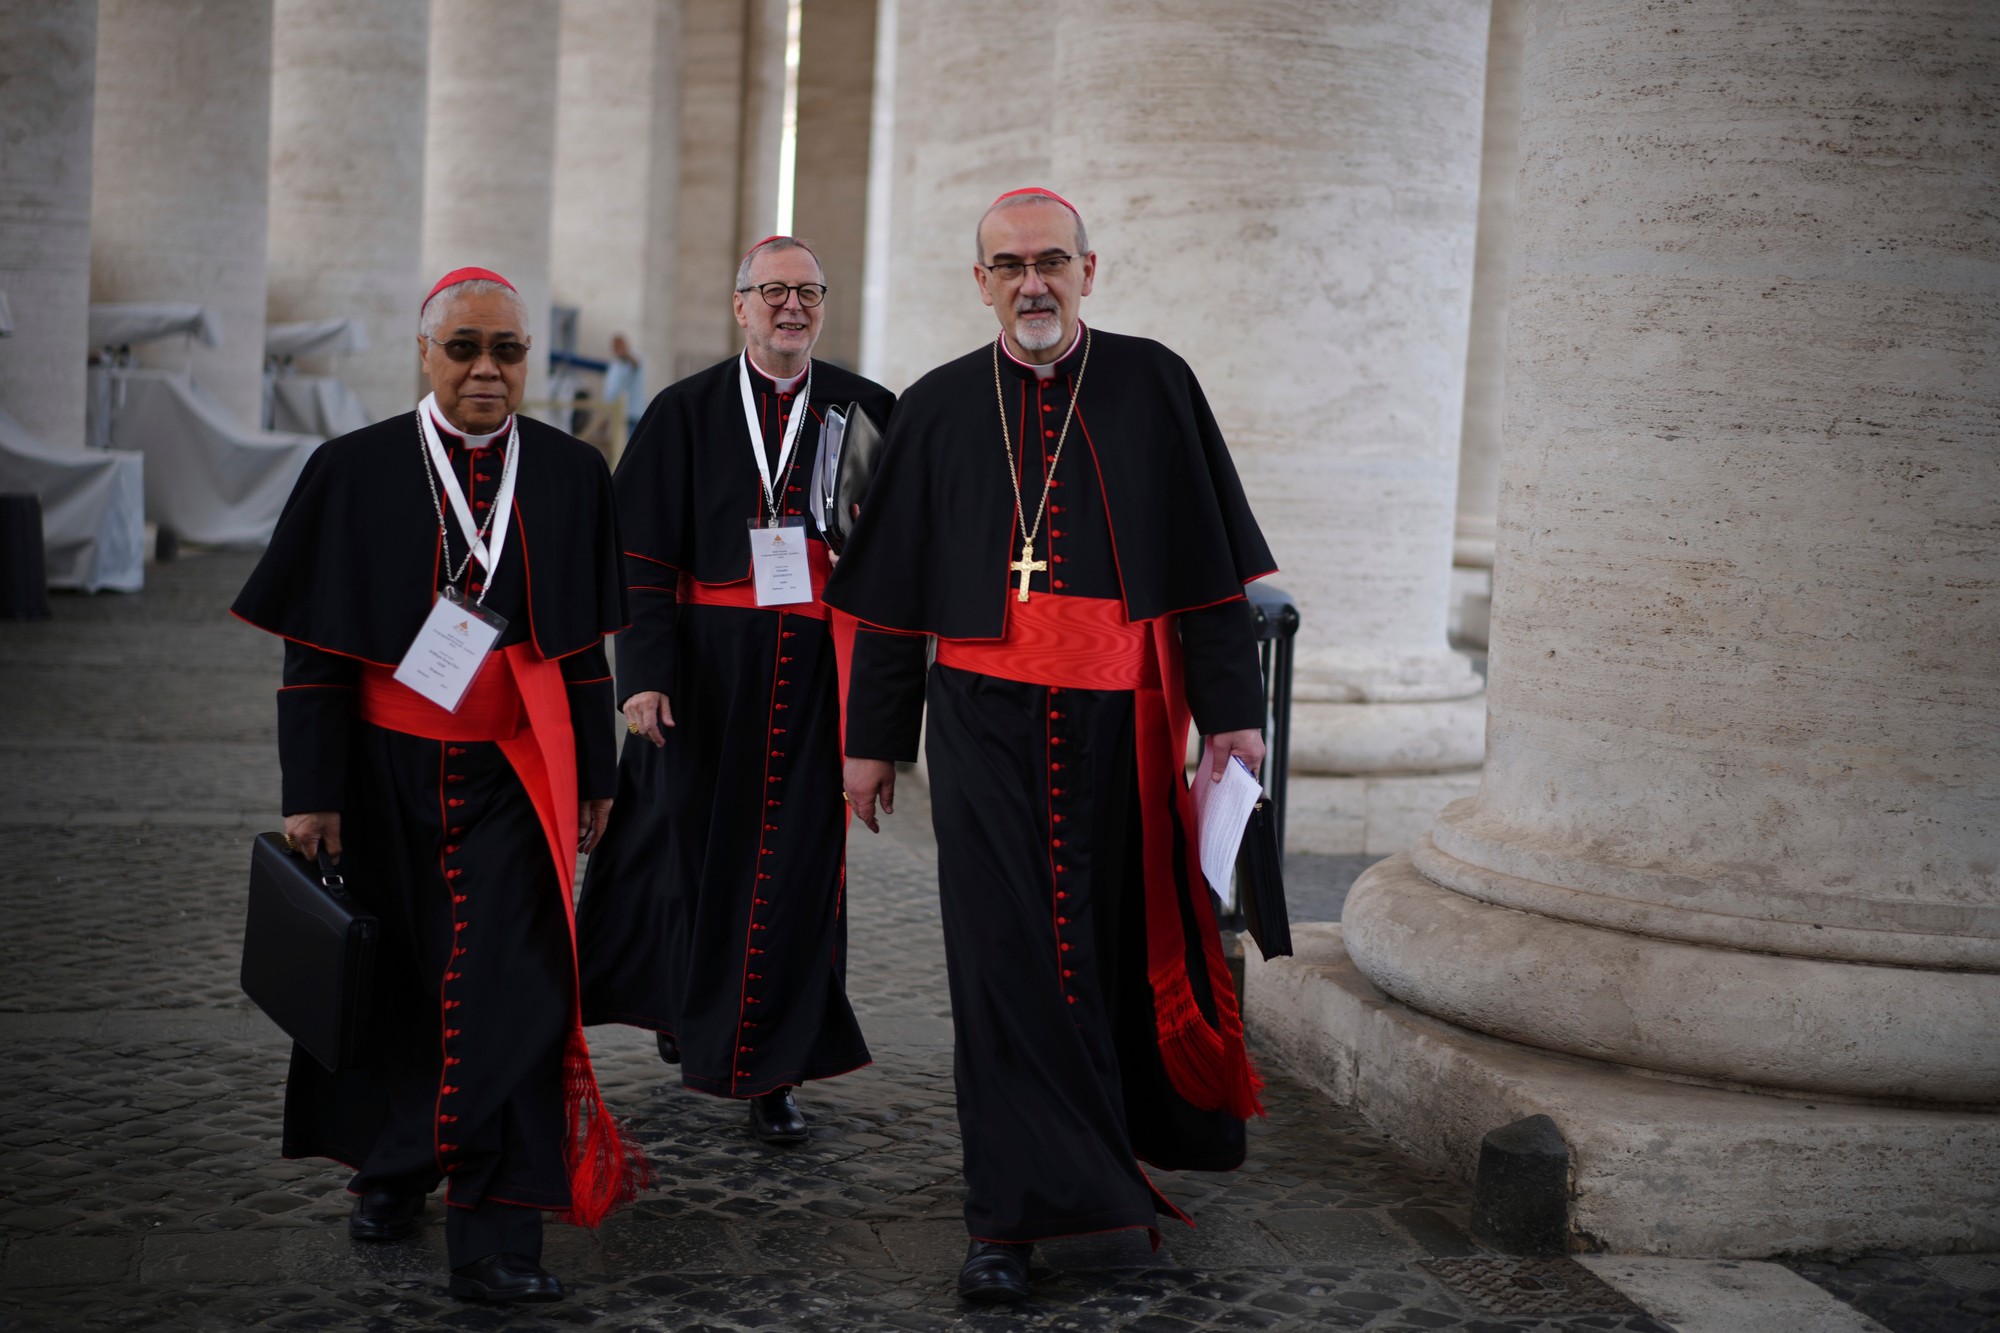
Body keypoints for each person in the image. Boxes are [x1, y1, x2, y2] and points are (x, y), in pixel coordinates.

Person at [825, 190, 1276, 1303]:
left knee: (1110, 945)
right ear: (979, 281)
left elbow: (1208, 570)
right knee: (1003, 960)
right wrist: (870, 743)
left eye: (1052, 262)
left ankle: (1101, 1169)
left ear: (1089, 269)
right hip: (978, 723)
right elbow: (886, 603)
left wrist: (1232, 716)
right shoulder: (933, 408)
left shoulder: (1154, 384)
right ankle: (1007, 1219)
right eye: (1009, 265)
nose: (1033, 282)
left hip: (1120, 721)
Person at [231, 267, 646, 1304]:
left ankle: (497, 1235)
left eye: (507, 351)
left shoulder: (567, 473)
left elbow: (584, 649)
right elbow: (315, 652)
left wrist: (596, 774)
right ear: (424, 353)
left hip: (516, 771)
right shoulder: (354, 468)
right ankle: (392, 1163)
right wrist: (310, 792)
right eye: (463, 347)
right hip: (381, 774)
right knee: (399, 983)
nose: (486, 370)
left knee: (514, 988)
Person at [576, 236, 894, 1145]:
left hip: (815, 672)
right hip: (703, 673)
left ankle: (772, 1069)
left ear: (822, 306)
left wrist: (874, 712)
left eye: (808, 292)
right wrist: (642, 680)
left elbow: (896, 565)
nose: (791, 307)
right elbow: (638, 561)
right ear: (740, 305)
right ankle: (690, 1011)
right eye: (774, 292)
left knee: (797, 875)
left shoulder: (867, 408)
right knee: (686, 862)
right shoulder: (682, 412)